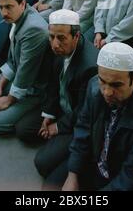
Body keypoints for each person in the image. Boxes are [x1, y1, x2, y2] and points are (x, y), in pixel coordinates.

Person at [56, 43, 133, 191]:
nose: (107, 92)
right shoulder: (94, 87)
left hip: (117, 178)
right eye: (103, 82)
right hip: (95, 164)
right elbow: (83, 130)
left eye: (116, 85)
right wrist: (73, 175)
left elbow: (130, 178)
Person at [16, 10, 98, 181]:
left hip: (77, 120)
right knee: (22, 129)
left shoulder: (90, 67)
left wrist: (58, 127)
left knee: (42, 163)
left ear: (76, 36)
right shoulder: (58, 48)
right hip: (61, 108)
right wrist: (48, 114)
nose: (54, 44)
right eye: (51, 36)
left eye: (61, 38)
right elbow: (53, 85)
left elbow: (84, 111)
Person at [0, 0, 50, 135]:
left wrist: (9, 99)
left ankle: (34, 108)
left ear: (23, 3)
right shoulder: (18, 17)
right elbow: (13, 59)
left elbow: (26, 71)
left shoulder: (33, 29)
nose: (3, 12)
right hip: (23, 75)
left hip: (36, 87)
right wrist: (0, 87)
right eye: (0, 7)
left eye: (8, 7)